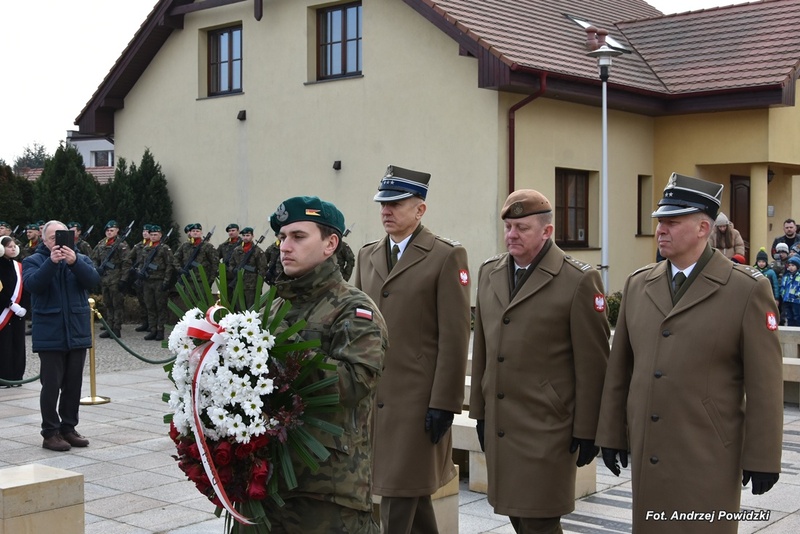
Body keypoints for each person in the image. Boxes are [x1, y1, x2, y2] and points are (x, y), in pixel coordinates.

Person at [596, 173, 783, 534]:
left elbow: (765, 384)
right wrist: (611, 433)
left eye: (672, 222)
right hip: (650, 450)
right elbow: (620, 370)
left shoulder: (745, 290)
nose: (660, 230)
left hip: (707, 451)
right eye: (659, 222)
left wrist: (762, 457)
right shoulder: (639, 284)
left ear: (702, 227)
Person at [469, 189, 610, 534]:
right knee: (517, 515)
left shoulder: (577, 280)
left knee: (539, 519)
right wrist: (480, 413)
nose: (512, 235)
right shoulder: (490, 272)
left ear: (547, 231)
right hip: (503, 421)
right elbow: (484, 349)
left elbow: (594, 364)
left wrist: (589, 430)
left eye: (522, 228)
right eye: (508, 227)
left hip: (548, 427)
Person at [354, 165, 471, 534]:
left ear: (420, 210)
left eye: (396, 204)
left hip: (419, 401)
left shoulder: (445, 256)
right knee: (409, 492)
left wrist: (445, 403)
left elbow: (455, 337)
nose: (386, 211)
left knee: (396, 499)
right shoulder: (367, 255)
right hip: (374, 397)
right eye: (383, 204)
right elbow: (356, 323)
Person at [267, 195, 388, 533]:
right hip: (271, 480)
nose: (285, 247)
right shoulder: (275, 308)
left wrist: (284, 354)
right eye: (282, 237)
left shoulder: (353, 309)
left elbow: (354, 382)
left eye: (298, 237)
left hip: (328, 489)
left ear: (330, 243)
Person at [22, 220, 101, 451]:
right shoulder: (33, 260)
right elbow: (33, 285)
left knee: (73, 383)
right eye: (53, 238)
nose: (58, 242)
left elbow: (93, 281)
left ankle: (69, 428)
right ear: (44, 240)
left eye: (62, 237)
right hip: (50, 332)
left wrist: (74, 262)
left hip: (77, 330)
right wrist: (52, 262)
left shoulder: (80, 259)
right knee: (51, 384)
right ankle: (50, 432)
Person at [91, 220, 130, 338]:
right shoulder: (101, 243)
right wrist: (97, 269)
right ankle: (109, 327)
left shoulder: (122, 245)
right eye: (107, 230)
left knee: (117, 304)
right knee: (108, 304)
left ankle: (116, 328)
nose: (109, 232)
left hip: (116, 279)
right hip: (105, 279)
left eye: (111, 230)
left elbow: (126, 263)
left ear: (117, 231)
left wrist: (124, 279)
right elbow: (93, 258)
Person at [137, 225, 175, 341]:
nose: (153, 237)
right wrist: (140, 272)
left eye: (155, 235)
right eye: (151, 235)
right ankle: (152, 329)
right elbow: (141, 263)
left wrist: (166, 281)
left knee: (160, 307)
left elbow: (170, 265)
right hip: (147, 281)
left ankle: (160, 330)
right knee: (150, 306)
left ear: (160, 235)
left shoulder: (164, 248)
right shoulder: (146, 248)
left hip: (159, 280)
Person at [0, 236, 26, 388]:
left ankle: (17, 376)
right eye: (9, 246)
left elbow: (25, 287)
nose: (13, 248)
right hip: (3, 311)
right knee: (4, 345)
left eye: (14, 245)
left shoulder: (18, 266)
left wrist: (24, 307)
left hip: (18, 313)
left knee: (17, 344)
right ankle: (3, 377)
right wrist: (9, 304)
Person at [227, 226, 268, 309]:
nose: (245, 237)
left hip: (252, 286)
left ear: (253, 236)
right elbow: (231, 264)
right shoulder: (237, 250)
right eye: (244, 235)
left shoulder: (257, 251)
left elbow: (262, 269)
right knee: (238, 308)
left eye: (248, 235)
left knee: (251, 308)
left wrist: (259, 286)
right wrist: (234, 270)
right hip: (238, 283)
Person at [127, 225, 152, 332]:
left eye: (147, 231)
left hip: (151, 277)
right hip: (139, 276)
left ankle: (153, 325)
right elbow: (128, 258)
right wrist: (132, 269)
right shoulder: (138, 246)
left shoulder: (156, 246)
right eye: (144, 231)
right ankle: (145, 322)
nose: (145, 233)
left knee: (150, 302)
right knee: (142, 301)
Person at [781, 255, 800, 327]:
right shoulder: (786, 276)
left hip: (796, 301)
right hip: (787, 299)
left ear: (797, 267)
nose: (791, 267)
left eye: (793, 265)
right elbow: (783, 286)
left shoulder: (799, 276)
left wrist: (798, 294)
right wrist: (783, 294)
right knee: (789, 317)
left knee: (797, 317)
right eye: (789, 265)